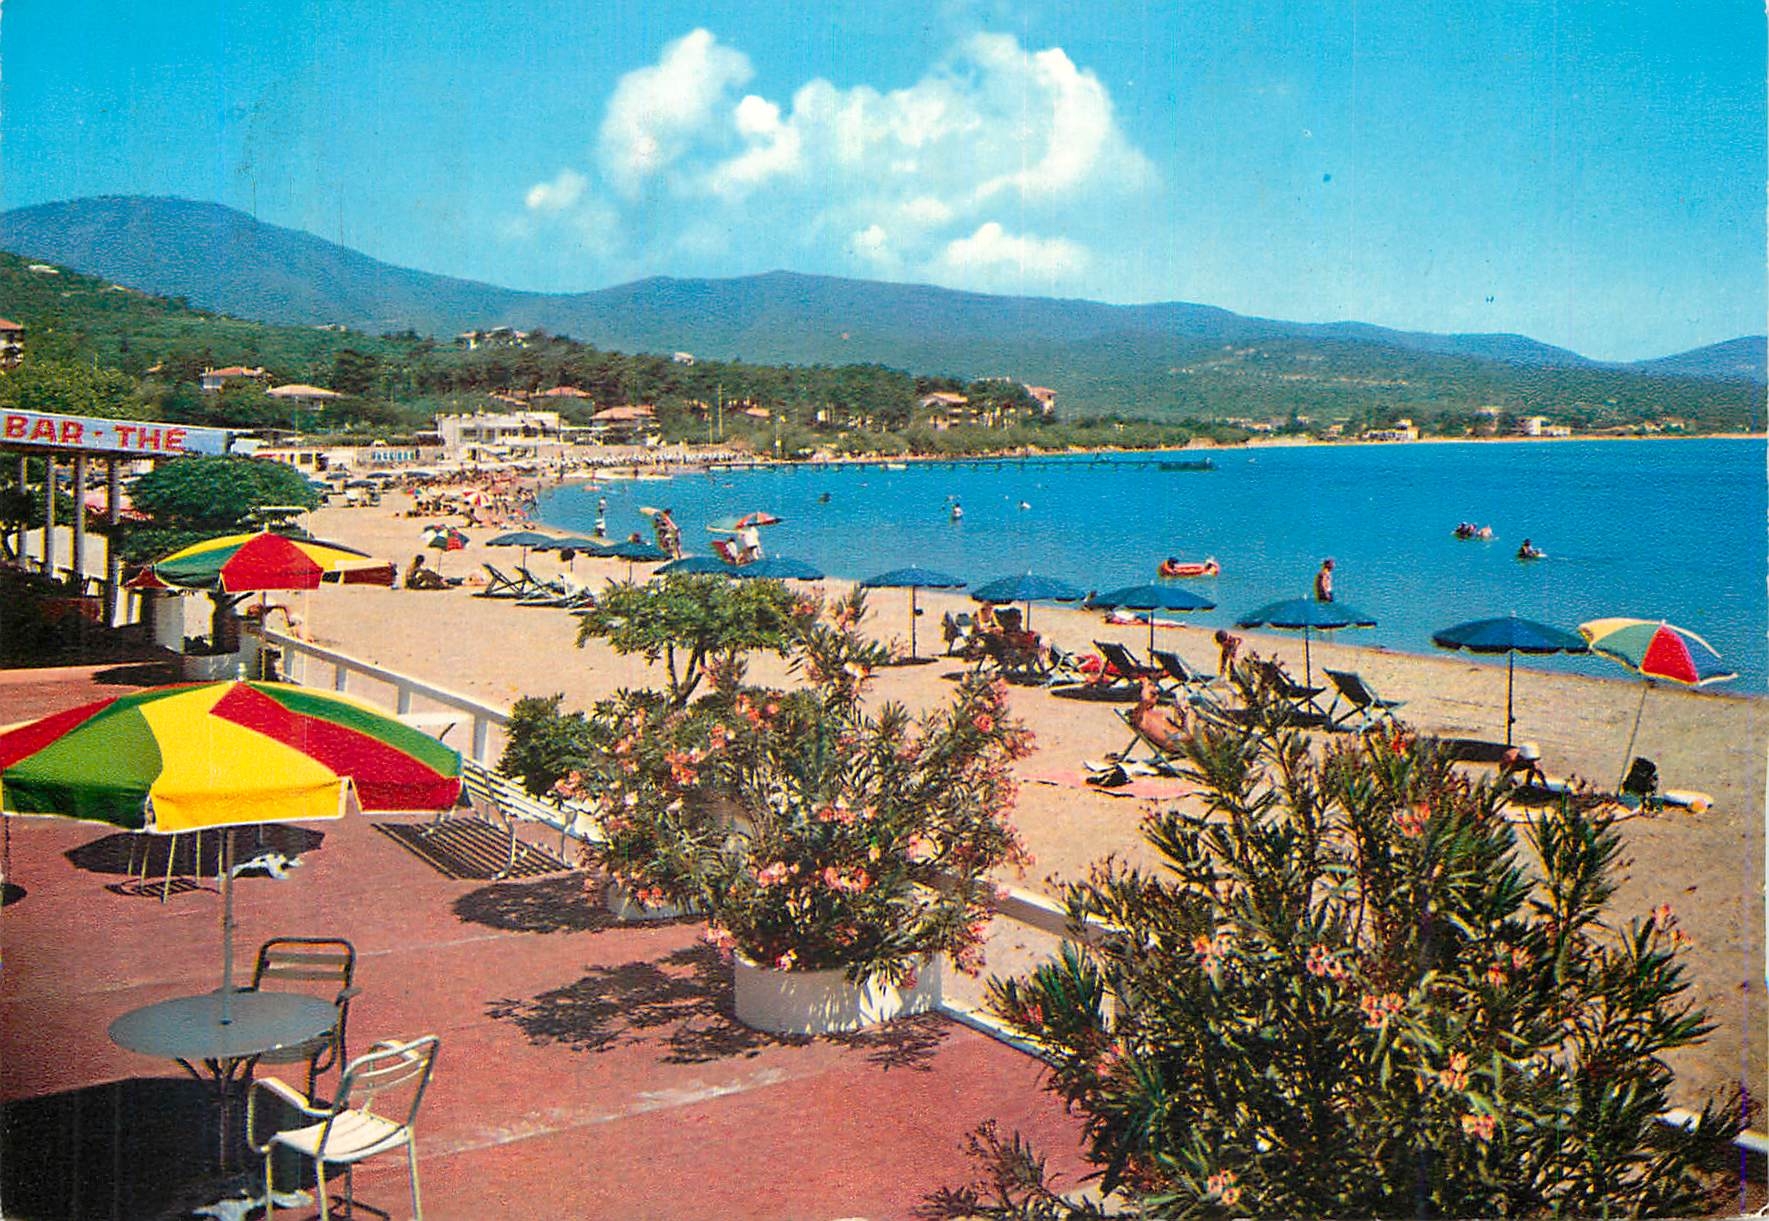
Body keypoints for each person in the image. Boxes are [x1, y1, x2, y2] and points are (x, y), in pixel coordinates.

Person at [1130, 678, 1189, 752]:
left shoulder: (1159, 712)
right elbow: (1146, 699)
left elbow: (1180, 726)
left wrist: (1183, 715)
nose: (1156, 697)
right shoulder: (1140, 715)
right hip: (1172, 740)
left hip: (1179, 737)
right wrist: (1146, 684)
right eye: (1153, 695)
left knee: (1190, 711)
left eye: (1156, 695)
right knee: (1192, 714)